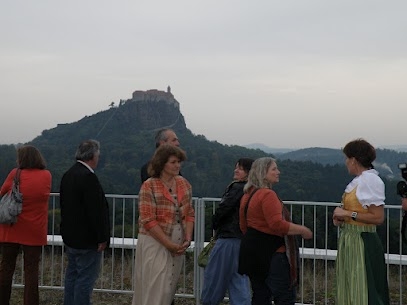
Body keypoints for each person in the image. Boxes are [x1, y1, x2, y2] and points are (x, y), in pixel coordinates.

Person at [238, 157, 312, 305]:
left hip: (252, 253)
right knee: (284, 296)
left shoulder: (247, 195)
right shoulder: (267, 194)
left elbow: (243, 226)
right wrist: (302, 230)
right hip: (272, 254)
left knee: (260, 295)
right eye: (274, 169)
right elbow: (277, 224)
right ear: (263, 172)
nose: (278, 172)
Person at [132, 144, 194, 305]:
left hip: (178, 242)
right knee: (155, 287)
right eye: (173, 162)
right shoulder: (149, 185)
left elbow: (189, 213)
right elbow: (148, 220)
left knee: (168, 288)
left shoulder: (183, 183)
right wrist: (169, 244)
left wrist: (187, 238)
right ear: (162, 163)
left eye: (179, 162)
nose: (177, 166)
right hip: (154, 242)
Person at [333, 138, 389, 305]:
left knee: (364, 289)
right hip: (351, 240)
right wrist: (341, 217)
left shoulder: (370, 181)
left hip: (362, 241)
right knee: (351, 287)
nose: (346, 163)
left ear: (353, 160)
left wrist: (348, 213)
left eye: (346, 158)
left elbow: (378, 217)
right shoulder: (359, 181)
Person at [60, 139, 111, 305]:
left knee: (72, 276)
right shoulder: (88, 177)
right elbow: (96, 211)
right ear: (93, 156)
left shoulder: (68, 174)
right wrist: (102, 237)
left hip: (71, 238)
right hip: (87, 240)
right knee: (85, 280)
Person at [0, 145, 51, 305]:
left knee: (6, 268)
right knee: (31, 272)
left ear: (21, 159)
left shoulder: (15, 174)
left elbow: (2, 192)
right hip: (34, 230)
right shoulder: (46, 176)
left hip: (11, 227)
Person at [201, 158, 254, 305]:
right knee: (238, 278)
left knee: (214, 276)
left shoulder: (237, 187)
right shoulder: (253, 190)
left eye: (240, 169)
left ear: (249, 173)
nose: (236, 170)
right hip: (243, 240)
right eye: (236, 167)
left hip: (228, 239)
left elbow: (223, 209)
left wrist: (215, 223)